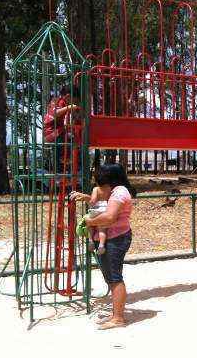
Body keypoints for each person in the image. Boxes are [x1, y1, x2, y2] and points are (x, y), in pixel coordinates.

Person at [70, 164, 136, 330]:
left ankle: (118, 318)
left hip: (117, 238)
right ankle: (116, 314)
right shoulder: (115, 191)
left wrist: (89, 222)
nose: (100, 188)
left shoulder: (119, 192)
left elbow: (109, 217)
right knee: (111, 278)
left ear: (110, 181)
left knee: (115, 278)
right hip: (112, 238)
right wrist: (86, 197)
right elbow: (100, 201)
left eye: (101, 183)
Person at [43, 85, 81, 173]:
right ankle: (58, 169)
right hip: (51, 132)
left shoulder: (64, 103)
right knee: (61, 144)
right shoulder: (57, 101)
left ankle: (66, 162)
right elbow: (55, 113)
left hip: (58, 131)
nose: (73, 103)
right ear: (68, 96)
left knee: (71, 140)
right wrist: (69, 107)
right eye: (74, 100)